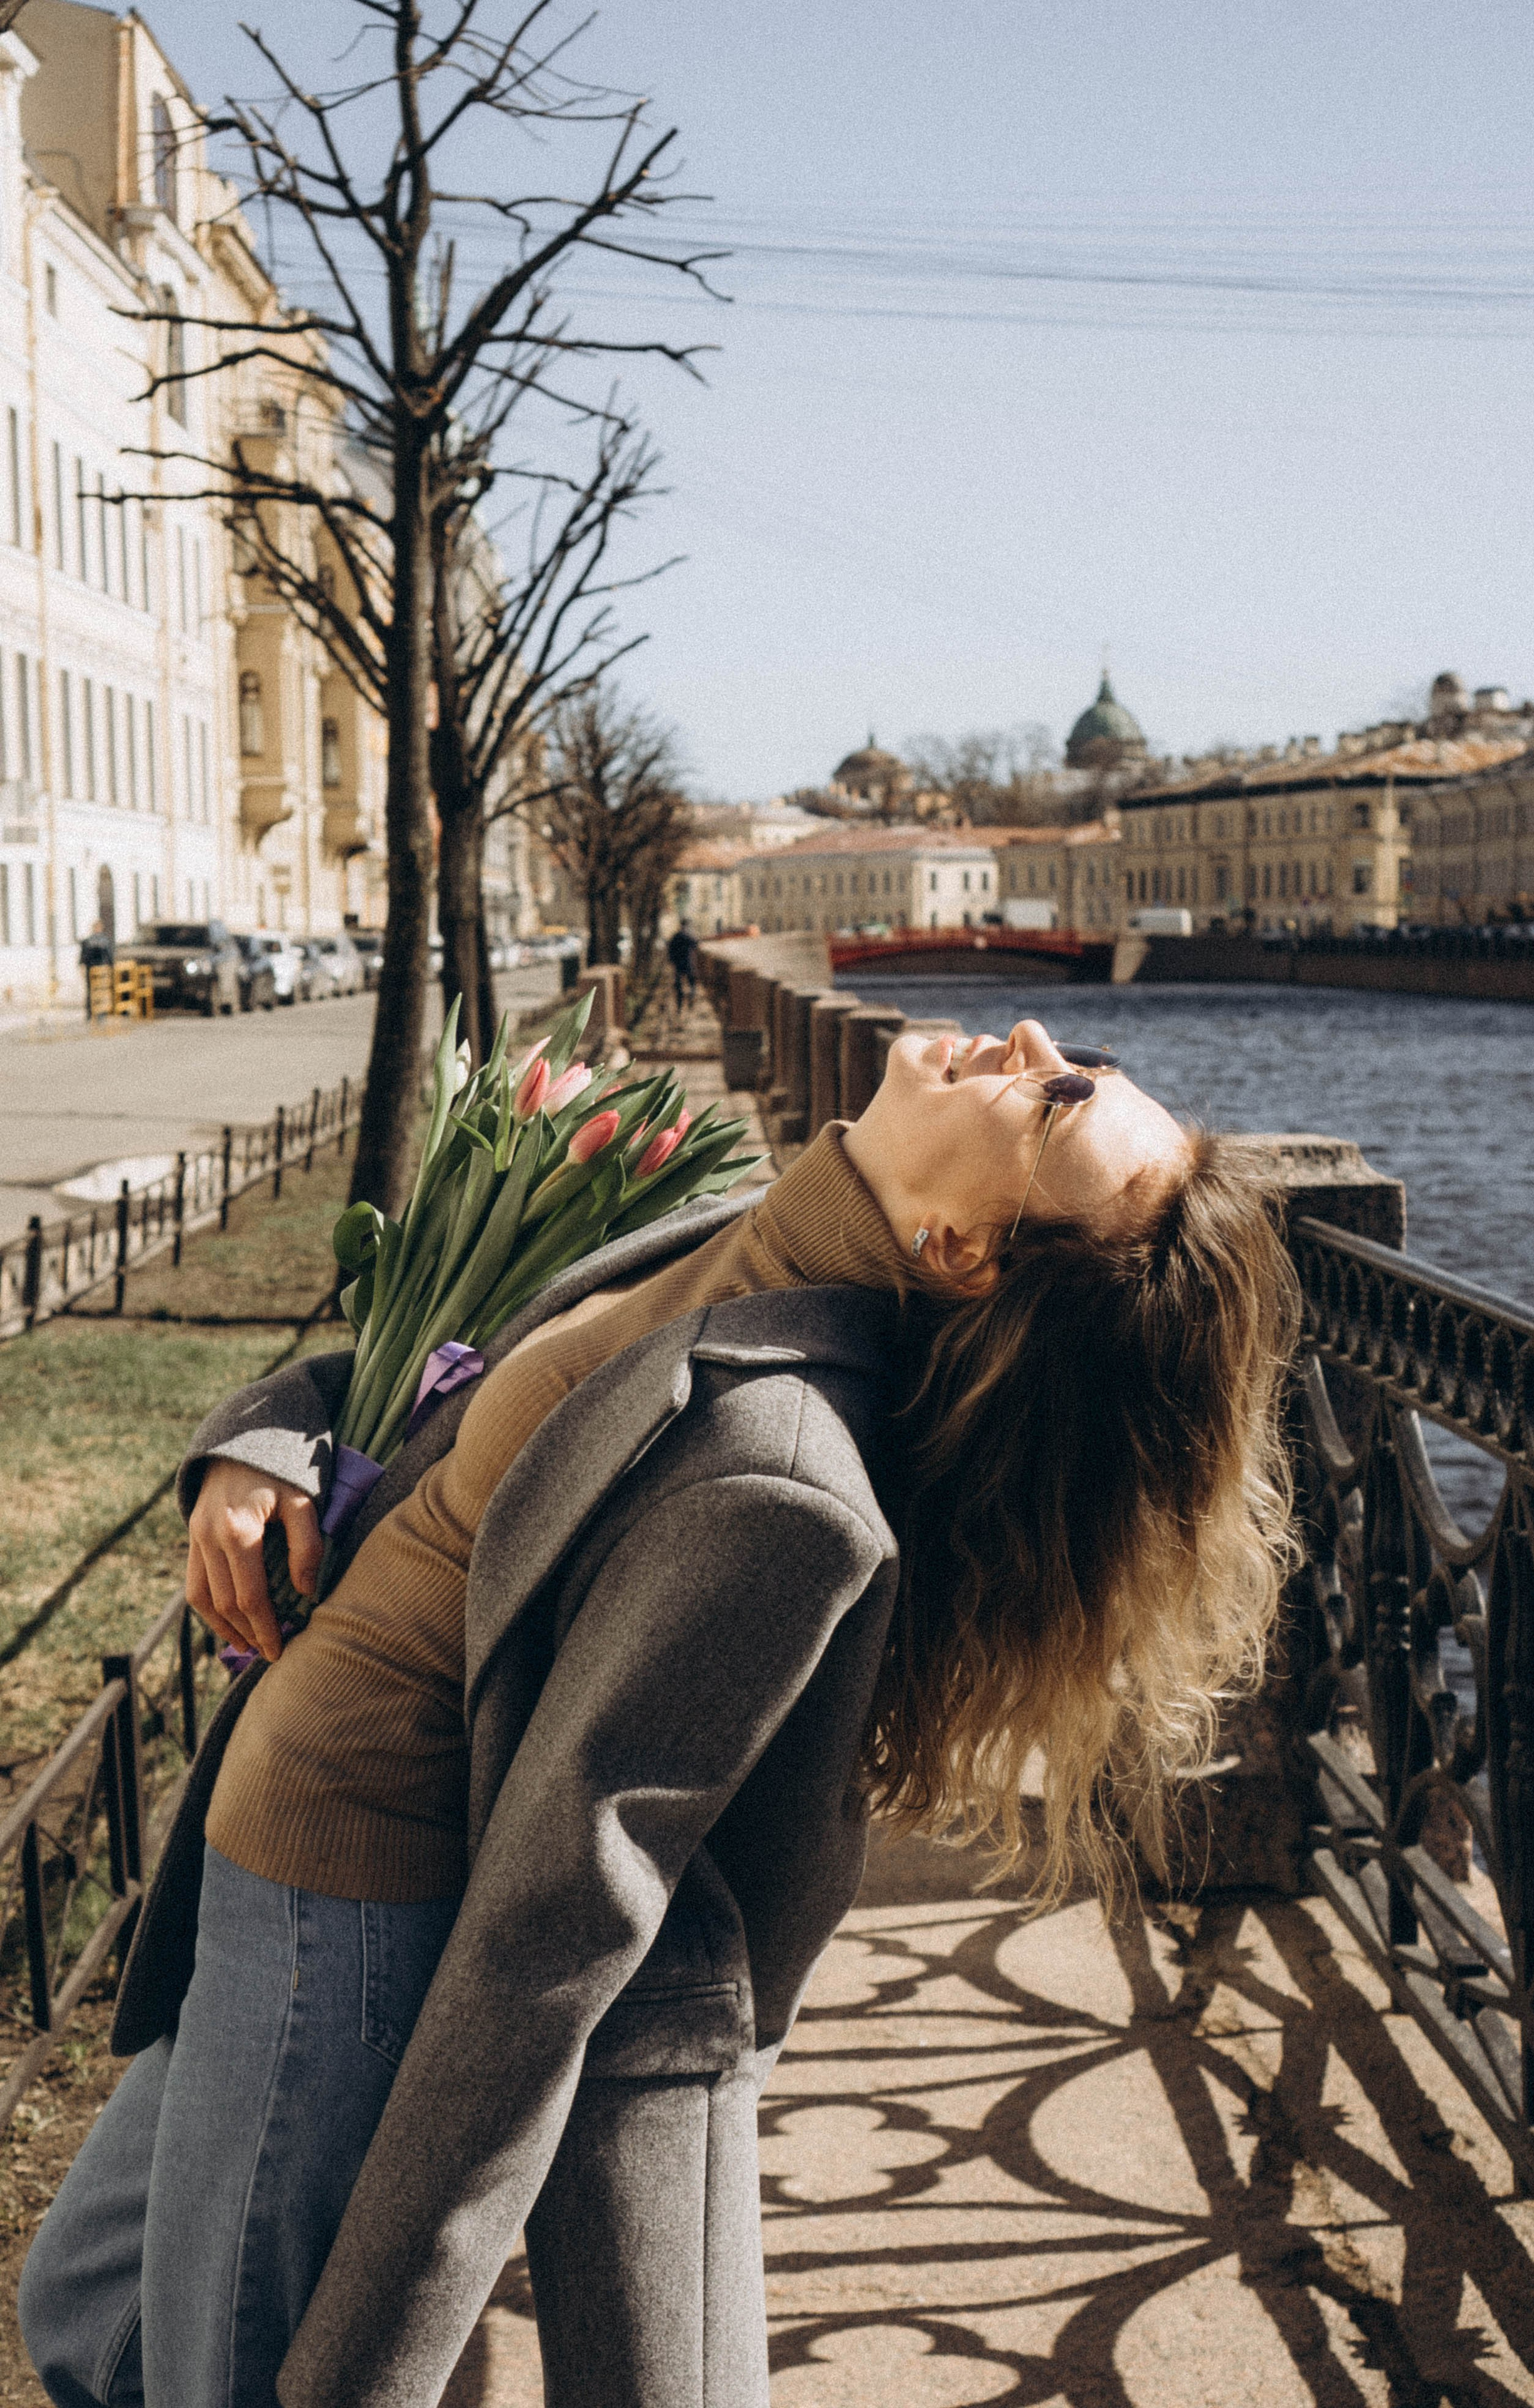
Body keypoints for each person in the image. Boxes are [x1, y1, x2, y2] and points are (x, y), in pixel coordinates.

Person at [20, 1021, 1300, 2408]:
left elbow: (548, 1946)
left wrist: (367, 2367)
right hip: (260, 1857)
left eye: (1053, 1101)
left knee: (212, 2376)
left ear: (956, 1251)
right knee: (90, 2311)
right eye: (1081, 1056)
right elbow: (444, 1386)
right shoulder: (735, 1228)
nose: (1027, 1040)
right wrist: (265, 1440)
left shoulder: (778, 1481)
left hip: (338, 1917)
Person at [78, 920, 113, 1020]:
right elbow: (109, 956)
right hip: (97, 969)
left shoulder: (91, 941)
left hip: (98, 969)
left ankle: (98, 1013)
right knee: (96, 991)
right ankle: (95, 1013)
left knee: (99, 991)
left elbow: (83, 956)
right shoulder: (103, 941)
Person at [667, 919, 697, 1012]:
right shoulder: (687, 936)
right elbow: (696, 944)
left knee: (679, 983)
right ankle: (692, 995)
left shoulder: (675, 936)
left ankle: (680, 1004)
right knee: (691, 981)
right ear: (687, 925)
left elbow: (670, 949)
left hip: (678, 964)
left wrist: (672, 961)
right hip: (687, 962)